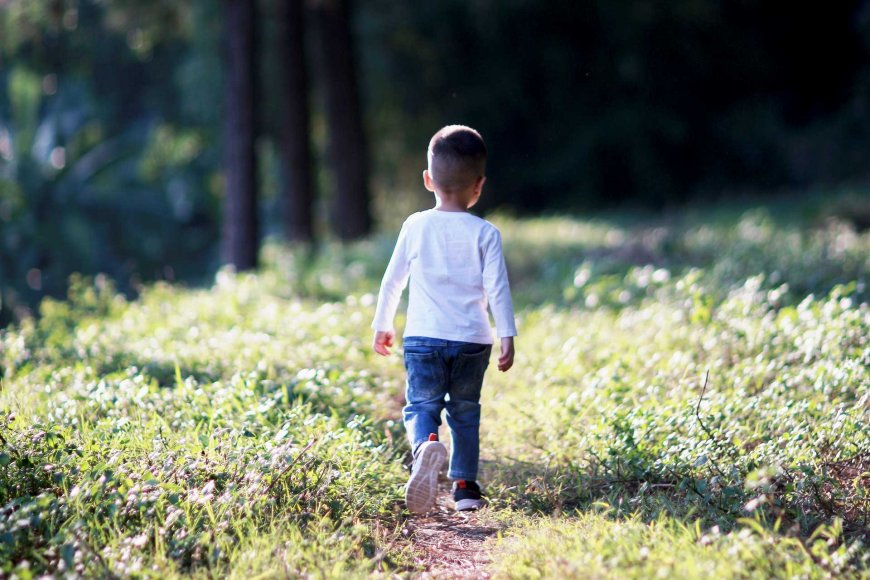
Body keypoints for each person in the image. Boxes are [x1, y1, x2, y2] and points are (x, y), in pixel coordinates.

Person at [371, 125, 517, 513]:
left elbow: (393, 281)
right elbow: (498, 288)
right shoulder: (486, 233)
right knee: (465, 411)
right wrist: (507, 334)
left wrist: (382, 324)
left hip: (424, 338)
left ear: (427, 180)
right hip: (473, 339)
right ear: (479, 185)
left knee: (422, 406)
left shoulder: (415, 226)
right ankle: (466, 488)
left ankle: (425, 445)